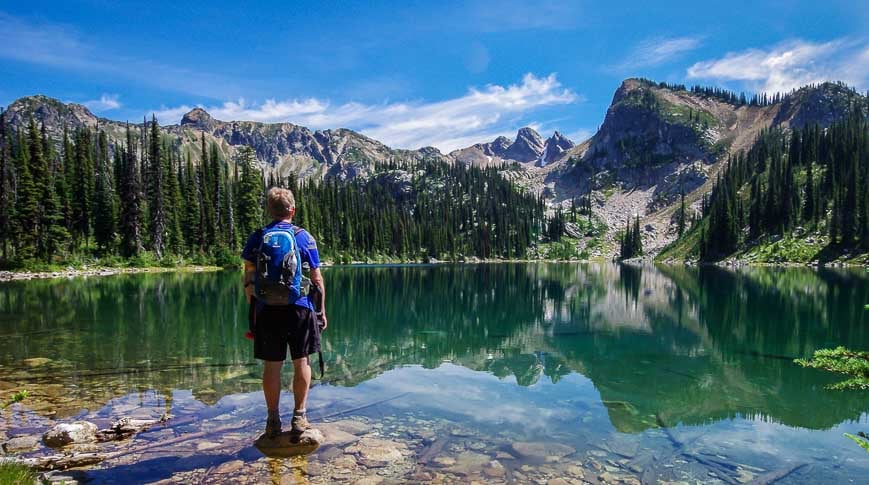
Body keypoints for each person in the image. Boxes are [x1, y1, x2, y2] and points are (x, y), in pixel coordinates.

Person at [242, 187, 328, 439]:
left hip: (267, 310)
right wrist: (321, 312)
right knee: (302, 360)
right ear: (292, 210)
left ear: (270, 210)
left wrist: (254, 307)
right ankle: (300, 417)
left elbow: (248, 279)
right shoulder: (303, 237)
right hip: (300, 308)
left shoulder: (258, 237)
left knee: (272, 366)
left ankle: (272, 420)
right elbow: (317, 279)